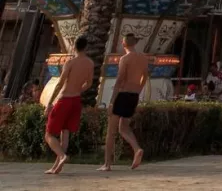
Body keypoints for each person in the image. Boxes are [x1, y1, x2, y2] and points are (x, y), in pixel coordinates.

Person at [44, 35, 94, 175]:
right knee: (65, 133)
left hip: (64, 99)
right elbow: (89, 83)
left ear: (74, 47)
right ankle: (56, 166)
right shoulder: (89, 63)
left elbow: (60, 83)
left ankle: (62, 156)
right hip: (76, 100)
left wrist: (49, 103)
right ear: (86, 47)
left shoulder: (70, 63)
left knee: (48, 135)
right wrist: (79, 89)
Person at [99, 33, 148, 171]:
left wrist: (111, 102)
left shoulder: (125, 59)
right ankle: (137, 148)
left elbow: (119, 80)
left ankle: (107, 164)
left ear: (124, 43)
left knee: (111, 131)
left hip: (123, 94)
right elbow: (145, 77)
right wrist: (138, 90)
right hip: (133, 95)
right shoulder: (143, 58)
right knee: (124, 128)